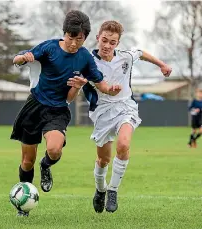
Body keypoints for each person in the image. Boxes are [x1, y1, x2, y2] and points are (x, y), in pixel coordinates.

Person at [11, 10, 121, 217]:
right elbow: (18, 59)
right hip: (34, 106)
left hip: (58, 110)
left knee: (54, 150)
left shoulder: (85, 58)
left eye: (79, 39)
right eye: (71, 38)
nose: (73, 43)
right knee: (27, 161)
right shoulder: (50, 47)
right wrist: (21, 58)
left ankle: (46, 166)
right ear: (65, 34)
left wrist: (110, 89)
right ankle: (23, 205)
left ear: (85, 38)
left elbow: (101, 83)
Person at [81, 21, 172, 213]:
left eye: (112, 42)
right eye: (104, 40)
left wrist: (162, 65)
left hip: (125, 107)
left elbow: (140, 52)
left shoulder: (125, 58)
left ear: (118, 43)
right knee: (103, 159)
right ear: (98, 38)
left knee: (123, 144)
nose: (107, 45)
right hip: (102, 112)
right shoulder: (87, 61)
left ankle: (113, 190)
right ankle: (100, 189)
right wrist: (107, 88)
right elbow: (98, 84)